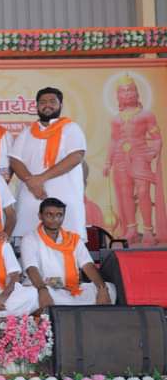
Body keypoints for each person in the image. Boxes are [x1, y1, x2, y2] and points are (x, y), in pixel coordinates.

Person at [9, 87, 87, 240]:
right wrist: (32, 184)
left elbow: (76, 156)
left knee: (67, 244)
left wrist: (40, 179)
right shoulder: (27, 132)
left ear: (60, 105)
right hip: (30, 200)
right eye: (43, 102)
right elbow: (15, 160)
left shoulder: (71, 128)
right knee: (27, 244)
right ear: (37, 106)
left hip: (65, 200)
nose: (47, 105)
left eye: (52, 101)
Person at [103, 74, 166, 245]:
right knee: (125, 192)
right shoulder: (116, 119)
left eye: (130, 90)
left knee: (143, 191)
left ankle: (148, 230)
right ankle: (131, 229)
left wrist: (153, 151)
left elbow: (156, 138)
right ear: (118, 96)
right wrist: (108, 162)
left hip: (139, 155)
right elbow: (114, 140)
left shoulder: (146, 115)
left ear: (137, 93)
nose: (127, 93)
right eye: (123, 91)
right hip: (120, 157)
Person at [21, 198, 115, 309]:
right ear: (40, 216)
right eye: (49, 214)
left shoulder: (73, 239)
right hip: (43, 285)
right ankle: (73, 306)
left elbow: (88, 265)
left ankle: (65, 307)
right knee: (31, 295)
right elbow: (31, 268)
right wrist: (42, 289)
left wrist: (102, 288)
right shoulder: (30, 239)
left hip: (71, 287)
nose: (55, 219)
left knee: (110, 288)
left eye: (59, 215)